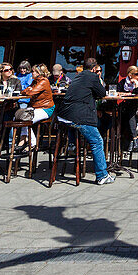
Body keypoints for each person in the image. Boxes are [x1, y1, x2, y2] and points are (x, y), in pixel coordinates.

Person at [55, 57, 115, 185]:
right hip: (78, 116)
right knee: (97, 141)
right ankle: (102, 175)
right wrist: (98, 79)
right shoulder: (92, 77)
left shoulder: (78, 76)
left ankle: (72, 144)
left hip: (64, 116)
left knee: (83, 130)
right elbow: (102, 93)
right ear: (94, 68)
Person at [18, 64, 55, 148]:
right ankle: (23, 138)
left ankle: (32, 143)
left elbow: (30, 92)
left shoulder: (44, 81)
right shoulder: (35, 81)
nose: (31, 73)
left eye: (33, 71)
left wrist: (29, 90)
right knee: (19, 117)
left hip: (45, 108)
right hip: (35, 107)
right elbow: (24, 91)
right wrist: (28, 90)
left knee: (26, 119)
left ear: (39, 73)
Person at [118, 65, 138, 152]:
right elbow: (118, 91)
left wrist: (136, 83)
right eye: (136, 74)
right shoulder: (123, 82)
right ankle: (132, 140)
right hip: (127, 105)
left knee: (131, 113)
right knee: (127, 114)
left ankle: (133, 139)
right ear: (130, 75)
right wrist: (125, 94)